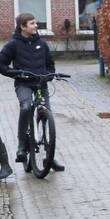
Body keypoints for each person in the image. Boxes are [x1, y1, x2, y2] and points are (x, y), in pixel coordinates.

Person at [0, 14, 64, 172]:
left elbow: (50, 64)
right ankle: (22, 144)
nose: (36, 26)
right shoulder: (13, 45)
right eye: (32, 23)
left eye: (36, 23)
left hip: (40, 84)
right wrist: (15, 73)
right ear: (23, 26)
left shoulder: (42, 44)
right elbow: (1, 64)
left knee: (47, 114)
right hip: (24, 84)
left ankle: (49, 157)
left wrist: (50, 74)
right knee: (26, 107)